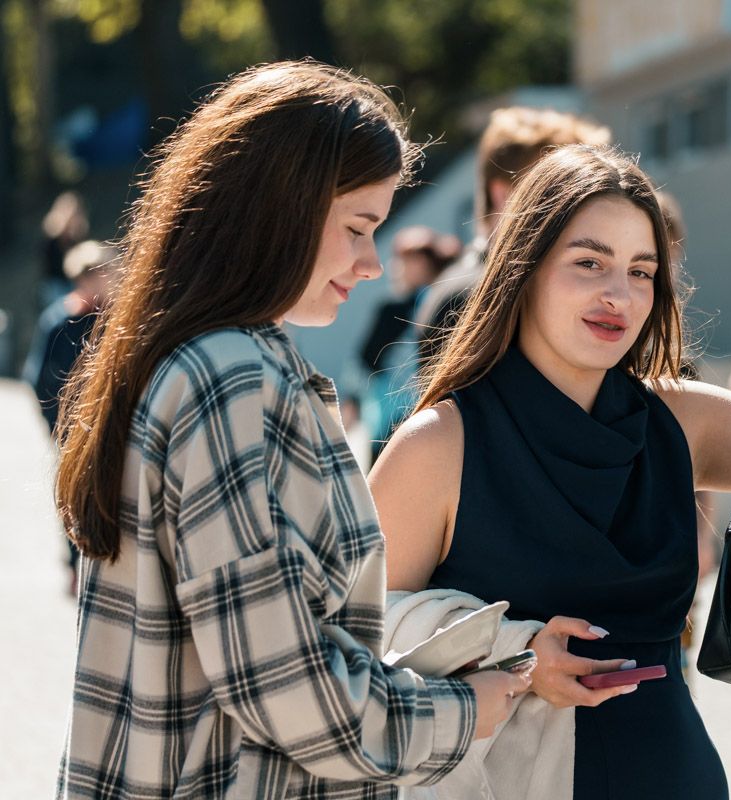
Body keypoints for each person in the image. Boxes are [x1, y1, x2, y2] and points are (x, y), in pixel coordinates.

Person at [368, 143, 731, 798]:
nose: (617, 294)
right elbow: (353, 645)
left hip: (670, 770)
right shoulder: (439, 444)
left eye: (641, 270)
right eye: (589, 263)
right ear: (525, 266)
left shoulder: (678, 418)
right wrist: (514, 652)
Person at [53, 61, 527, 799]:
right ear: (280, 209)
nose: (372, 262)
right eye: (358, 228)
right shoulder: (229, 377)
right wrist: (465, 710)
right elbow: (282, 686)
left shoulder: (203, 358)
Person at [407, 107, 611, 371]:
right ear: (504, 195)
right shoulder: (473, 296)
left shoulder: (488, 283)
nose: (576, 208)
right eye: (556, 192)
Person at [22, 239, 119, 593]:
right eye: (95, 276)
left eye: (107, 274)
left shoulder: (118, 321)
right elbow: (38, 378)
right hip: (71, 431)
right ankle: (76, 563)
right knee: (74, 498)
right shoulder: (58, 321)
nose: (103, 282)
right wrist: (58, 425)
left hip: (112, 429)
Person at [356, 225, 461, 461]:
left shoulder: (398, 308)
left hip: (393, 415)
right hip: (436, 412)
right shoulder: (450, 297)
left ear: (421, 263)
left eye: (401, 260)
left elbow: (366, 357)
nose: (393, 268)